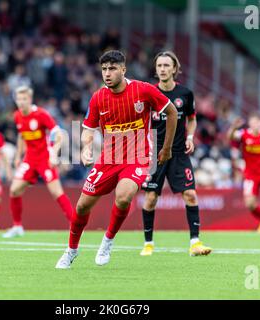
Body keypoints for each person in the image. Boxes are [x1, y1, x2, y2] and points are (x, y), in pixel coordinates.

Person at [55, 50, 178, 269]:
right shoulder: (98, 97)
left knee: (123, 197)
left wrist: (166, 148)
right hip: (108, 159)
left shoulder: (143, 90)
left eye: (112, 68)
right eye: (104, 69)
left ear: (123, 69)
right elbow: (88, 129)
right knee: (82, 206)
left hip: (138, 157)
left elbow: (171, 113)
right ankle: (71, 250)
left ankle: (107, 241)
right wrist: (85, 148)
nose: (107, 73)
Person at [141, 51, 212, 256]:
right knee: (151, 198)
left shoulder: (185, 94)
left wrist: (190, 137)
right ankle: (148, 244)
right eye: (159, 65)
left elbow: (192, 118)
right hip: (155, 154)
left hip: (179, 153)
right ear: (156, 70)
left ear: (174, 69)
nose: (162, 69)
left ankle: (195, 242)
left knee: (190, 194)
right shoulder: (149, 94)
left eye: (166, 65)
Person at [2, 85, 74, 238]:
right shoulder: (17, 116)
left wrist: (54, 154)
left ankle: (75, 224)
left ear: (30, 99)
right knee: (14, 190)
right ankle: (17, 227)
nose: (21, 102)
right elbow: (22, 135)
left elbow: (59, 134)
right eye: (18, 99)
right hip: (29, 159)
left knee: (56, 192)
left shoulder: (41, 114)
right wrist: (17, 156)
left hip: (44, 158)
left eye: (24, 99)